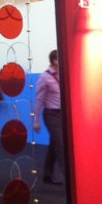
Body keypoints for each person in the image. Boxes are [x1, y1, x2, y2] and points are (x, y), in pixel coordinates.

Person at [34, 50, 64, 185]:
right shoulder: (44, 77)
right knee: (61, 146)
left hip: (62, 114)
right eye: (60, 58)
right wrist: (36, 121)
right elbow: (39, 100)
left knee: (54, 145)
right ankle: (71, 179)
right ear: (54, 60)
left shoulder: (62, 74)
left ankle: (47, 174)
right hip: (51, 115)